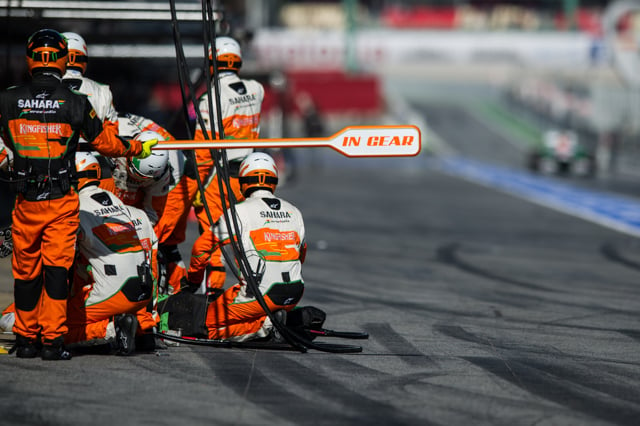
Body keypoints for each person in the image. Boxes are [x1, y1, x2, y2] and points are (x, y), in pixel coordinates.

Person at [0, 29, 155, 360]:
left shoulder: (8, 99)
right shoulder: (76, 102)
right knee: (57, 269)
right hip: (61, 200)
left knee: (26, 272)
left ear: (30, 61)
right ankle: (53, 343)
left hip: (26, 201)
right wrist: (137, 147)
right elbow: (107, 144)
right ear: (63, 60)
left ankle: (26, 341)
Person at [154, 36, 265, 292]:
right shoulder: (256, 89)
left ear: (212, 64)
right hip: (250, 172)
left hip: (221, 178)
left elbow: (204, 152)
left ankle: (213, 293)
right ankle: (257, 289)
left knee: (214, 239)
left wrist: (191, 186)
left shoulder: (210, 98)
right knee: (247, 237)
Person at [163, 152, 306, 342]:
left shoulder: (238, 212)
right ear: (273, 180)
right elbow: (300, 254)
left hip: (260, 295)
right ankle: (278, 319)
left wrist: (194, 281)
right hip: (294, 291)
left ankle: (265, 326)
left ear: (243, 182)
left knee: (207, 324)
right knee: (228, 299)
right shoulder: (294, 211)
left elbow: (201, 248)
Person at [65, 152, 159, 355]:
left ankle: (111, 329)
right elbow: (152, 260)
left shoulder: (75, 208)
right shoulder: (122, 205)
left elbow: (64, 257)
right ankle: (143, 329)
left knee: (54, 327)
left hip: (114, 293)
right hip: (143, 294)